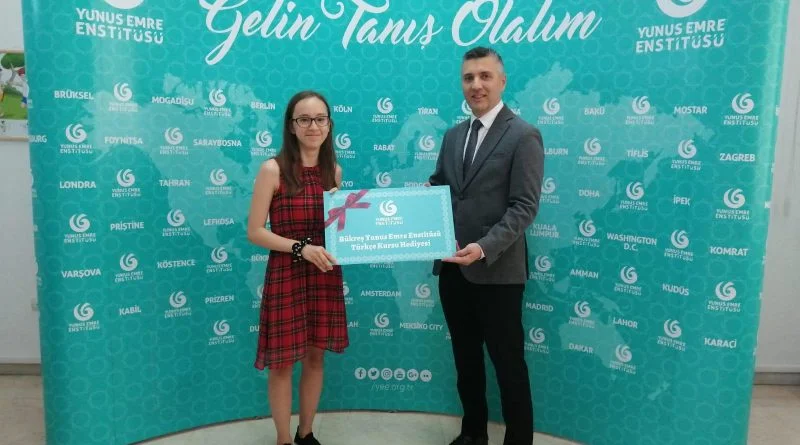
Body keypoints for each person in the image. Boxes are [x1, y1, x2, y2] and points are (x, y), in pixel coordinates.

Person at [428, 47, 545, 445]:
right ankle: (473, 434)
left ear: (502, 81)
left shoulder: (523, 135)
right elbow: (443, 187)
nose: (476, 85)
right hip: (452, 270)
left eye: (484, 76)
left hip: (497, 272)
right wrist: (420, 202)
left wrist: (482, 247)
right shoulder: (452, 136)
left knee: (509, 367)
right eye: (468, 78)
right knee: (466, 362)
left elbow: (524, 207)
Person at [247, 90, 347, 445]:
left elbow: (337, 229)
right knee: (282, 363)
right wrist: (301, 248)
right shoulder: (272, 169)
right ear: (291, 126)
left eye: (320, 119)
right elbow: (255, 231)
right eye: (304, 119)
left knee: (316, 357)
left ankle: (306, 434)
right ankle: (283, 439)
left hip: (323, 274)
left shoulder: (334, 172)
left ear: (329, 125)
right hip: (286, 273)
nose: (313, 126)